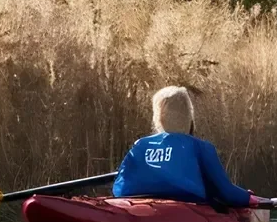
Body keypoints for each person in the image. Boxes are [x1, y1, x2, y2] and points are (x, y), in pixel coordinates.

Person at [113, 86, 265, 209]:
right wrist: (248, 197)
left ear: (158, 117)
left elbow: (118, 189)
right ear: (189, 118)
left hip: (137, 207)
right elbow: (226, 192)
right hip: (185, 211)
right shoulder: (202, 148)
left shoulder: (140, 145)